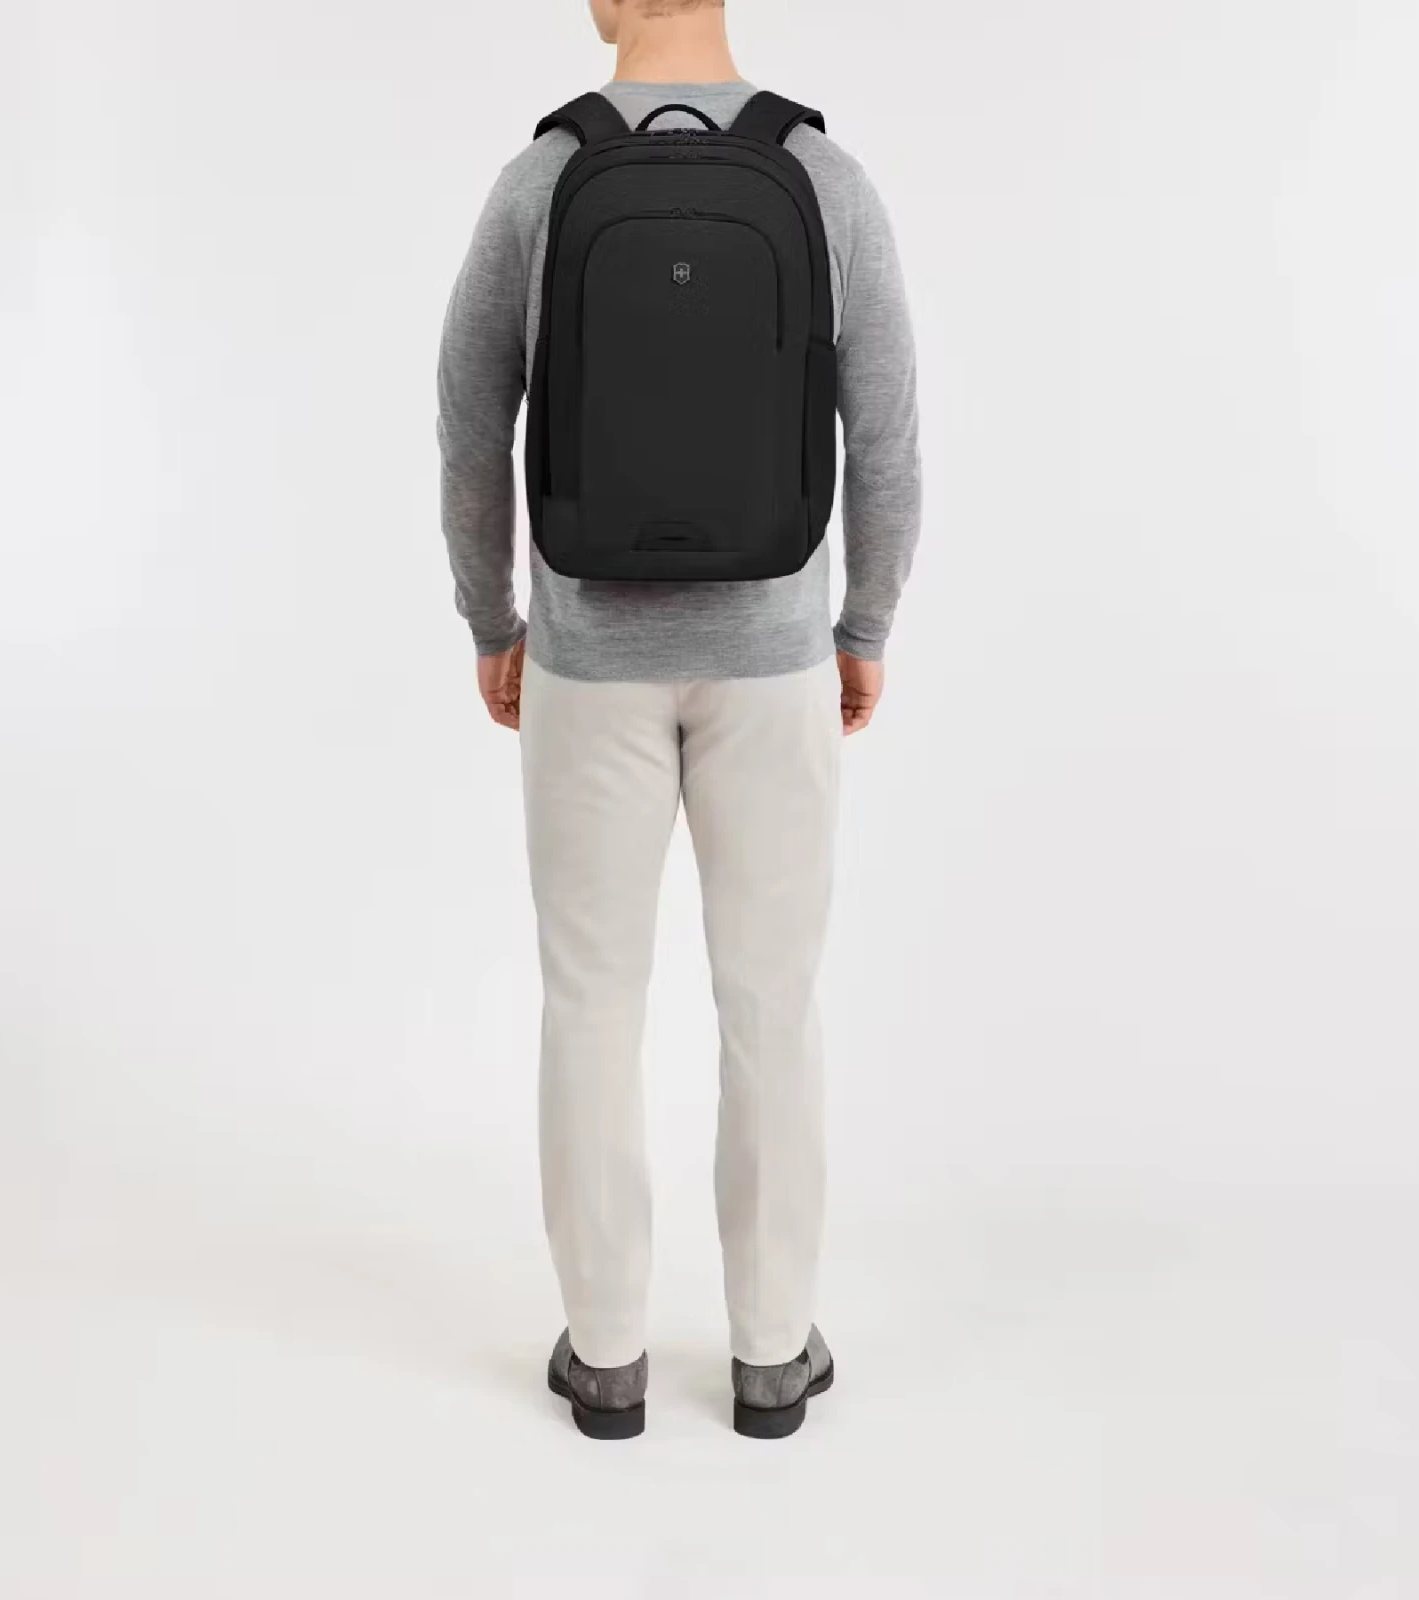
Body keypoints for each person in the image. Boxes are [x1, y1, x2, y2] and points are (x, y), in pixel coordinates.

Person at [437, 0, 920, 1439]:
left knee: (592, 1001)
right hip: (774, 657)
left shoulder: (542, 181)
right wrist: (863, 626)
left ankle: (606, 1355)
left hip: (587, 659)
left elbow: (469, 419)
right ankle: (771, 1354)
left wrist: (492, 621)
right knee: (771, 1000)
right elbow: (887, 434)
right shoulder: (824, 179)